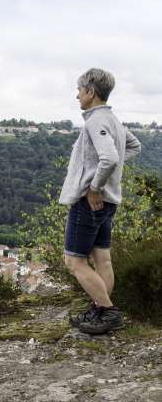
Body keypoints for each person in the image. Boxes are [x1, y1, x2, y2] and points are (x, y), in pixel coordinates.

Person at [59, 68, 141, 334]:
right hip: (109, 202)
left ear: (91, 92)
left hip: (91, 202)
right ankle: (99, 310)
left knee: (74, 262)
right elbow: (133, 146)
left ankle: (108, 312)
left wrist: (94, 186)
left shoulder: (95, 121)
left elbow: (111, 158)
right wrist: (107, 173)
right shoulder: (113, 120)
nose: (77, 95)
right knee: (102, 260)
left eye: (79, 90)